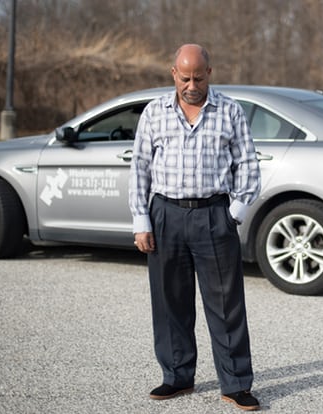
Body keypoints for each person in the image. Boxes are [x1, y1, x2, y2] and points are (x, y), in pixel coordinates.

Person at [128, 44, 261, 411]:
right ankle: (177, 376)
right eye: (184, 77)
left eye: (198, 77)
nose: (191, 85)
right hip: (165, 215)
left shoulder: (230, 112)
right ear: (173, 74)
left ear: (209, 73)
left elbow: (248, 167)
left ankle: (235, 384)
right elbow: (140, 168)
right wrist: (141, 220)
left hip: (213, 215)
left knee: (225, 305)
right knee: (170, 302)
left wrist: (231, 214)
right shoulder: (154, 113)